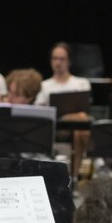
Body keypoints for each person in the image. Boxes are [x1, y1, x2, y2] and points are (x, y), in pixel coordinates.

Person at [36, 42, 92, 181]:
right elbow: (39, 109)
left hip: (77, 128)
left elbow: (85, 107)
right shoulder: (45, 85)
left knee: (80, 128)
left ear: (69, 61)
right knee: (80, 118)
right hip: (56, 127)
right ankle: (95, 161)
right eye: (55, 58)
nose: (58, 62)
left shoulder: (81, 83)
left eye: (62, 59)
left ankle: (73, 176)